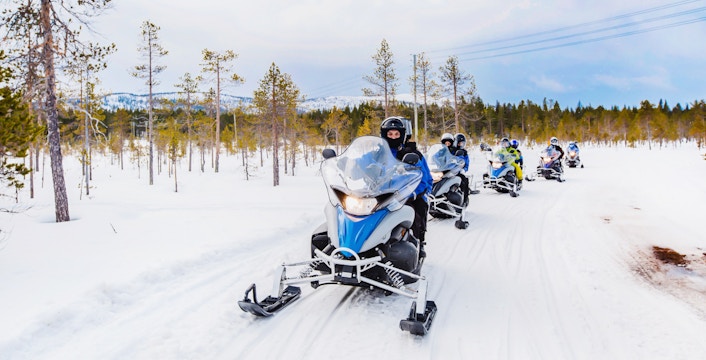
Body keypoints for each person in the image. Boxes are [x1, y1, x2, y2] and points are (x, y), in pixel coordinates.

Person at [380, 117, 433, 247]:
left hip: (406, 194)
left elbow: (424, 178)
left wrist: (414, 193)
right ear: (384, 135)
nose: (393, 137)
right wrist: (347, 164)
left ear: (402, 135)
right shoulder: (377, 153)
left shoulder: (412, 153)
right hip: (380, 194)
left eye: (396, 134)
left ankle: (417, 243)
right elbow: (361, 164)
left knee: (417, 210)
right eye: (390, 134)